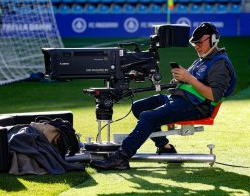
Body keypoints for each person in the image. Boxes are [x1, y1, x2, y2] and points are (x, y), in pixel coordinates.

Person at [90, 23, 236, 170]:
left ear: (214, 40)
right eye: (194, 44)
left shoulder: (220, 63)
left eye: (200, 43)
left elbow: (214, 95)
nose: (197, 46)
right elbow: (191, 82)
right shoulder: (203, 59)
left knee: (148, 117)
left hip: (196, 106)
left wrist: (189, 78)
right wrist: (179, 79)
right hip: (181, 99)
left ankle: (121, 157)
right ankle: (165, 147)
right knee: (138, 107)